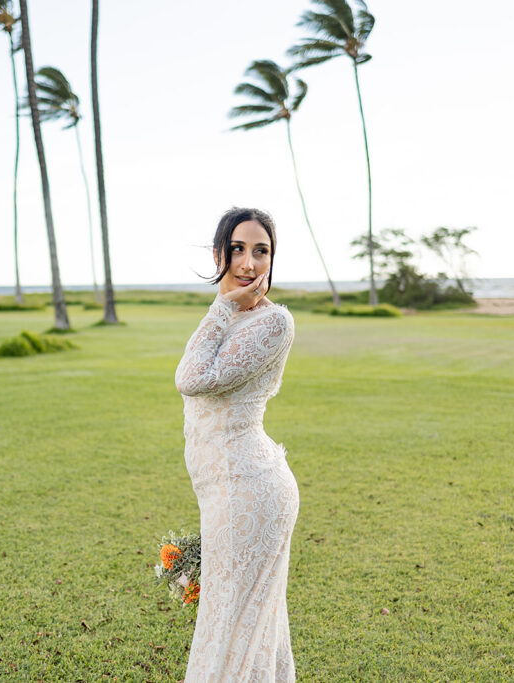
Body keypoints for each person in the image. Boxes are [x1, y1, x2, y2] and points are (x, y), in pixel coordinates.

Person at [175, 207, 299, 682]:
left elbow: (190, 378)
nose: (249, 263)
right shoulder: (225, 319)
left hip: (250, 488)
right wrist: (224, 310)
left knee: (231, 627)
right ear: (219, 253)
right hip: (224, 488)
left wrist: (222, 306)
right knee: (235, 624)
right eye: (238, 249)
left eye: (261, 251)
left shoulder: (272, 324)